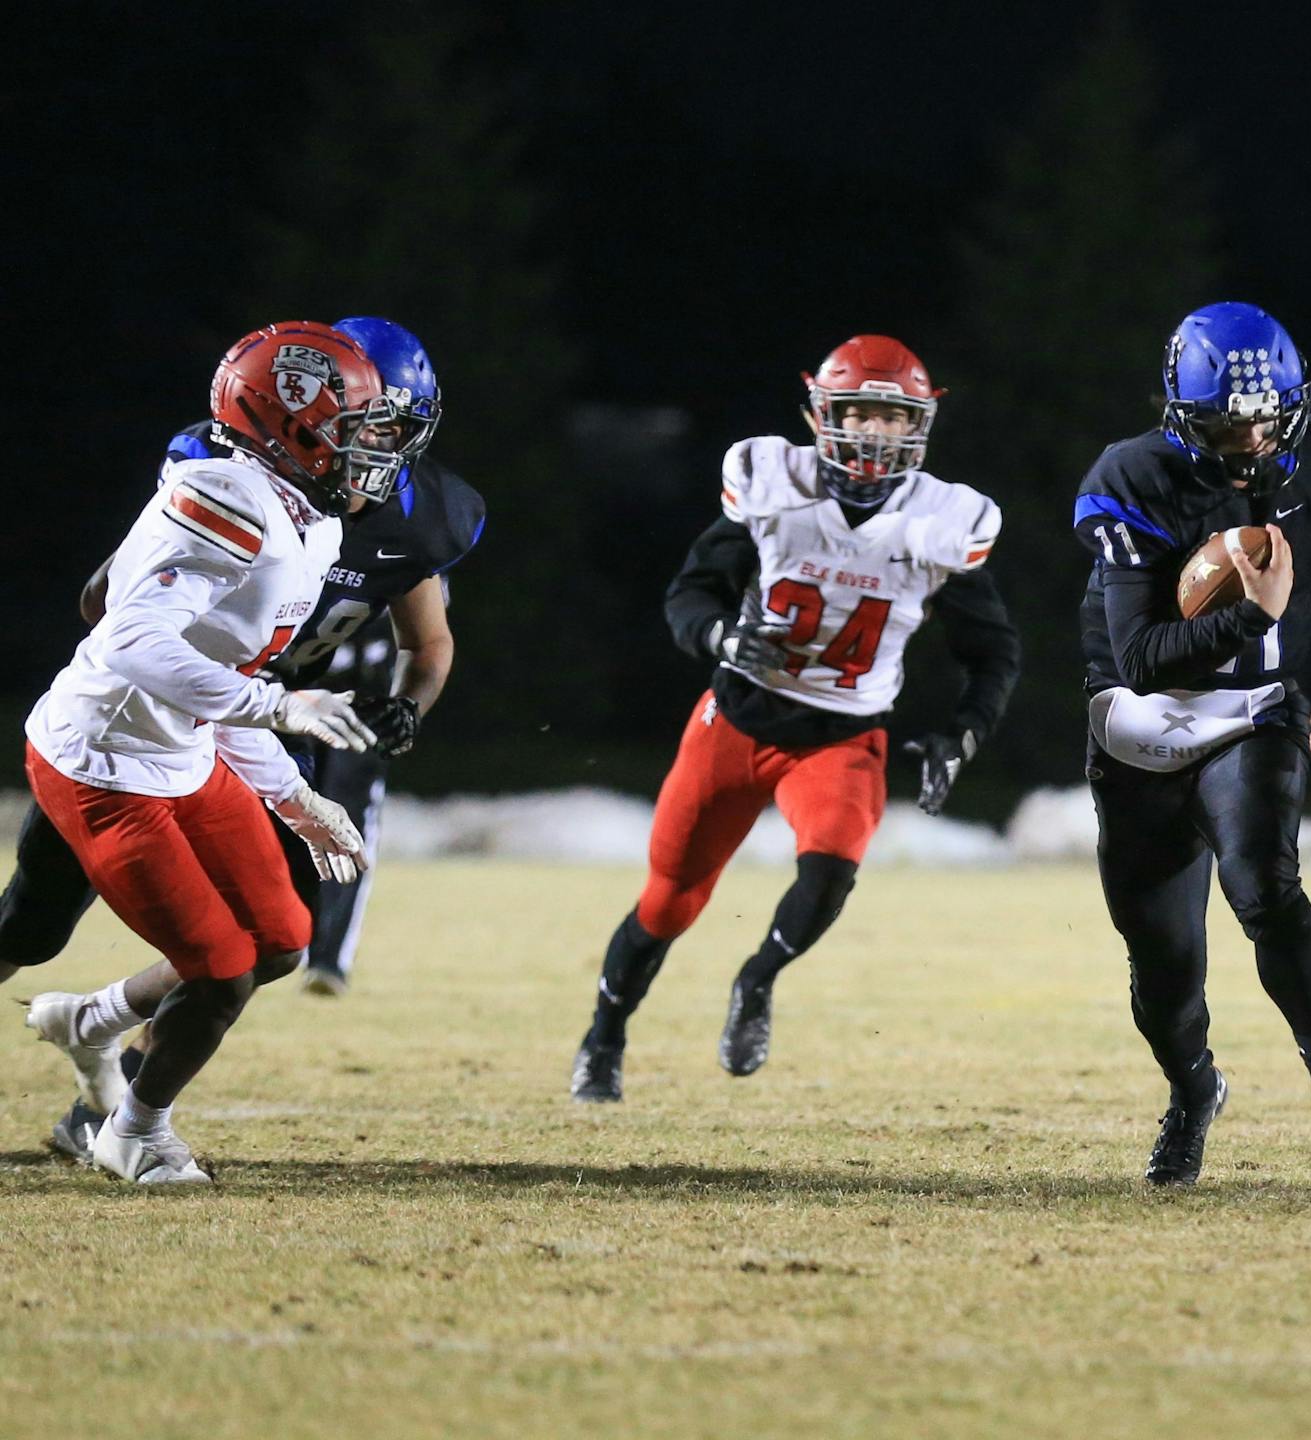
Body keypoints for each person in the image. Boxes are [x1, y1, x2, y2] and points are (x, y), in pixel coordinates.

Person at [12, 318, 481, 1159]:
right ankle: (132, 1129)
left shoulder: (324, 520)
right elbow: (120, 627)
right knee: (50, 928)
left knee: (274, 940)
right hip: (113, 752)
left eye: (388, 423)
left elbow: (378, 648)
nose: (383, 446)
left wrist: (297, 794)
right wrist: (280, 708)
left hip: (207, 733)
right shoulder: (223, 487)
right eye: (365, 425)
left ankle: (96, 1032)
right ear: (295, 425)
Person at [570, 335, 1020, 1101]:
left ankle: (757, 978)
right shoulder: (773, 485)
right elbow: (690, 594)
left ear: (919, 426)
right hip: (737, 719)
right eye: (861, 413)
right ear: (824, 414)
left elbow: (994, 652)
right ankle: (604, 1035)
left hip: (843, 735)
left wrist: (964, 731)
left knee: (832, 867)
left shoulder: (945, 522)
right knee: (668, 901)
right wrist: (721, 635)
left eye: (893, 417)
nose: (876, 433)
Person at [1073, 302, 1311, 1185]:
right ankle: (1192, 1092)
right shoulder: (1131, 477)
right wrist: (1252, 613)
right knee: (1163, 961)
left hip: (1257, 708)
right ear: (1182, 412)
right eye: (1227, 421)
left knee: (1262, 882)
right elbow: (1137, 657)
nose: (1250, 437)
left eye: (1265, 416)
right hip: (1141, 721)